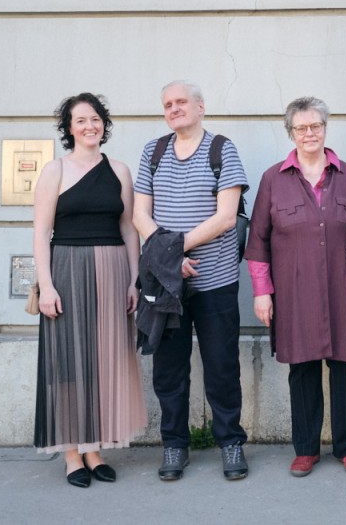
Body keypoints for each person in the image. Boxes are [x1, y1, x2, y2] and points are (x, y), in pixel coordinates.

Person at [133, 80, 250, 482]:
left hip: (215, 281)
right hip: (166, 286)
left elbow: (225, 217)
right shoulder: (154, 151)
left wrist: (174, 249)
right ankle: (174, 445)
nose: (174, 108)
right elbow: (139, 215)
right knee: (169, 369)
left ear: (201, 107)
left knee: (221, 366)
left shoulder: (222, 149)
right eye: (167, 103)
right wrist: (169, 257)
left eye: (182, 101)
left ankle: (230, 442)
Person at [244, 97, 346, 477]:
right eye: (302, 128)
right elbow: (258, 240)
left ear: (325, 129)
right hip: (295, 292)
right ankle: (306, 448)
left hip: (343, 287)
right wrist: (262, 292)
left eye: (316, 126)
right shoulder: (272, 179)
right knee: (303, 368)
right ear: (291, 133)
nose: (310, 133)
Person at [33, 93, 147, 488]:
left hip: (113, 272)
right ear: (69, 128)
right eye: (80, 120)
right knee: (67, 363)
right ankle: (70, 453)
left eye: (95, 119)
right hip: (66, 269)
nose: (89, 126)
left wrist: (135, 278)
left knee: (103, 361)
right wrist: (46, 285)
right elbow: (40, 232)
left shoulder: (119, 170)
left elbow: (129, 228)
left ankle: (93, 449)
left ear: (104, 124)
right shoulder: (55, 170)